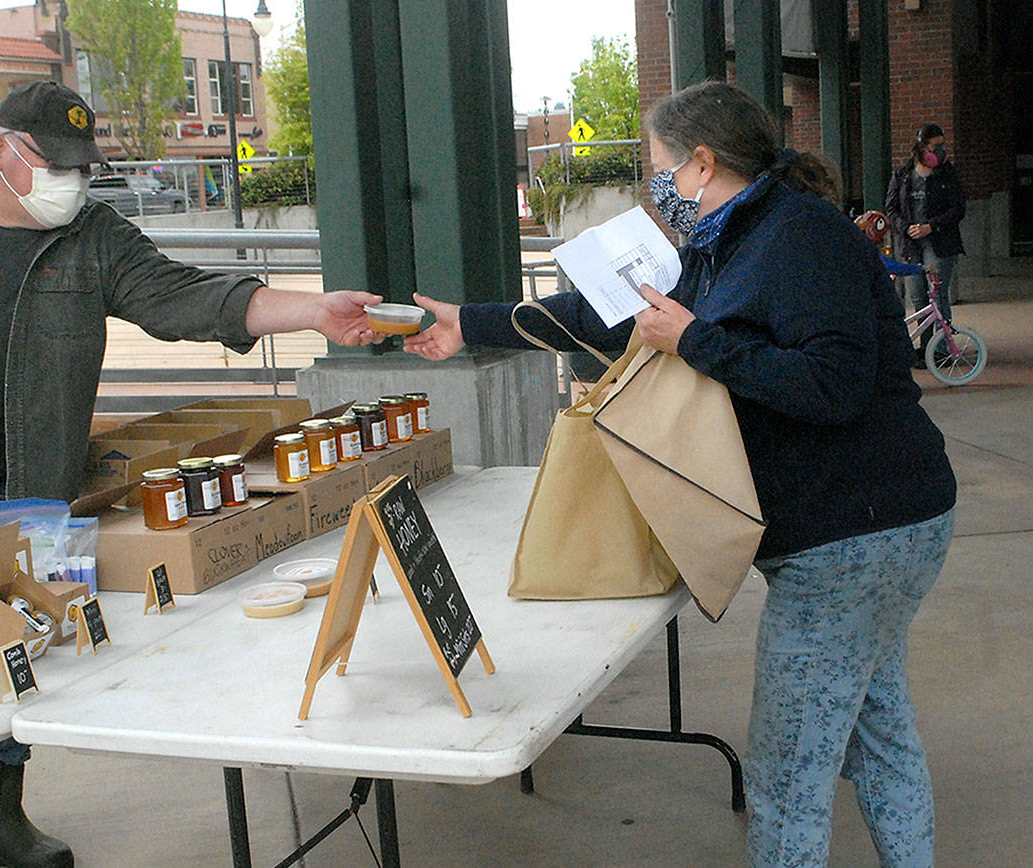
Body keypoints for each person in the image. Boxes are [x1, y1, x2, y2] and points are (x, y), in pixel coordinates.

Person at [0, 80, 382, 868]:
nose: (74, 183)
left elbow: (183, 298)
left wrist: (313, 309)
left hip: (7, 499)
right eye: (58, 165)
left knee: (12, 646)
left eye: (85, 168)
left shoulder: (95, 240)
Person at [405, 81, 956, 867]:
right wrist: (475, 323)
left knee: (788, 774)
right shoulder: (726, 237)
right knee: (878, 728)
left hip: (855, 533)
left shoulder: (800, 236)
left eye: (658, 164)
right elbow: (620, 316)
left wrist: (698, 343)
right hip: (875, 524)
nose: (653, 182)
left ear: (701, 162)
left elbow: (833, 386)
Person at [885, 123, 965, 365]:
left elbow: (958, 209)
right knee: (918, 298)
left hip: (939, 243)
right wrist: (905, 228)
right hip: (910, 244)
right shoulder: (902, 175)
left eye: (942, 145)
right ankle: (925, 348)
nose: (941, 150)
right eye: (936, 146)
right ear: (922, 148)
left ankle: (941, 349)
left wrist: (931, 226)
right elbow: (891, 209)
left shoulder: (948, 174)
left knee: (937, 295)